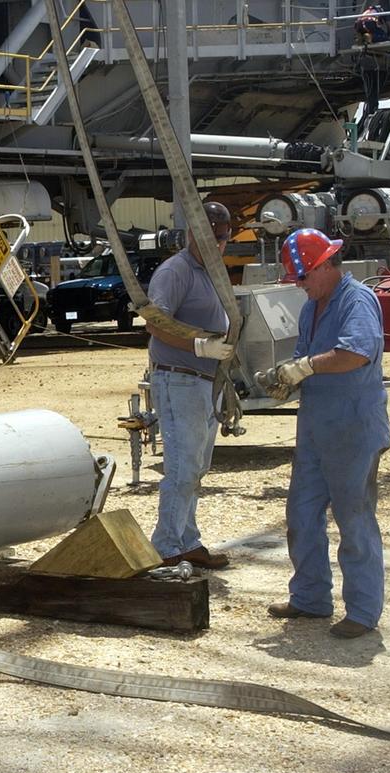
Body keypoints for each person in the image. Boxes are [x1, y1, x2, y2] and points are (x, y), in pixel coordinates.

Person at [265, 228, 390, 639]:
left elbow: (355, 353)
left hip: (353, 428)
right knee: (301, 514)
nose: (299, 286)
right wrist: (288, 377)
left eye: (302, 278)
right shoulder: (312, 308)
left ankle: (363, 610)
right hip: (318, 428)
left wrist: (306, 367)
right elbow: (308, 358)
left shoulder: (357, 301)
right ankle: (310, 597)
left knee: (354, 519)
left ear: (322, 266)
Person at [143, 201, 236, 570]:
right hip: (179, 378)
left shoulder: (211, 272)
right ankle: (166, 546)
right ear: (193, 235)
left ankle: (186, 539)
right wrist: (199, 345)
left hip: (202, 381)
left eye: (224, 238)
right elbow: (155, 322)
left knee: (195, 467)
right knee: (182, 467)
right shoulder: (176, 271)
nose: (219, 244)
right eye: (213, 237)